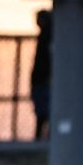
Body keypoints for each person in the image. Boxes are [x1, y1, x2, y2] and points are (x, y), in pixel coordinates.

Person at [30, 9, 52, 140]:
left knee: (43, 110)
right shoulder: (47, 35)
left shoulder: (46, 35)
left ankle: (40, 137)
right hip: (42, 78)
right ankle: (41, 137)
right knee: (43, 110)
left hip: (42, 79)